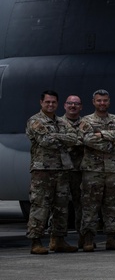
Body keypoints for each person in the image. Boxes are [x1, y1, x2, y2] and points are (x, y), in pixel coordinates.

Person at [25, 90, 79, 254]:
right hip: (43, 170)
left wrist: (56, 136)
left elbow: (74, 138)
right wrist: (61, 137)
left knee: (61, 207)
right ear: (41, 103)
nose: (50, 105)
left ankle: (58, 240)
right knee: (40, 206)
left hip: (62, 170)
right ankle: (36, 241)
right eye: (47, 102)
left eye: (53, 102)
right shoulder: (35, 121)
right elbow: (45, 141)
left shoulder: (62, 122)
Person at [79, 89, 115, 251]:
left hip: (114, 170)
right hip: (93, 171)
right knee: (90, 205)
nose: (102, 103)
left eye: (105, 100)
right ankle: (88, 239)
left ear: (109, 101)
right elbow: (86, 139)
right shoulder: (86, 121)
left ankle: (111, 237)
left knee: (113, 205)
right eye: (99, 100)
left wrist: (102, 134)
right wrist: (111, 142)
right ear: (94, 102)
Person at [59, 94, 85, 238]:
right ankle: (57, 237)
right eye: (70, 103)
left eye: (76, 104)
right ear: (65, 105)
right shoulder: (57, 123)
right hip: (62, 170)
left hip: (80, 170)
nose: (73, 106)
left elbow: (90, 140)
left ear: (81, 106)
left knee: (81, 204)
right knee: (59, 204)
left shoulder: (86, 123)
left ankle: (83, 236)